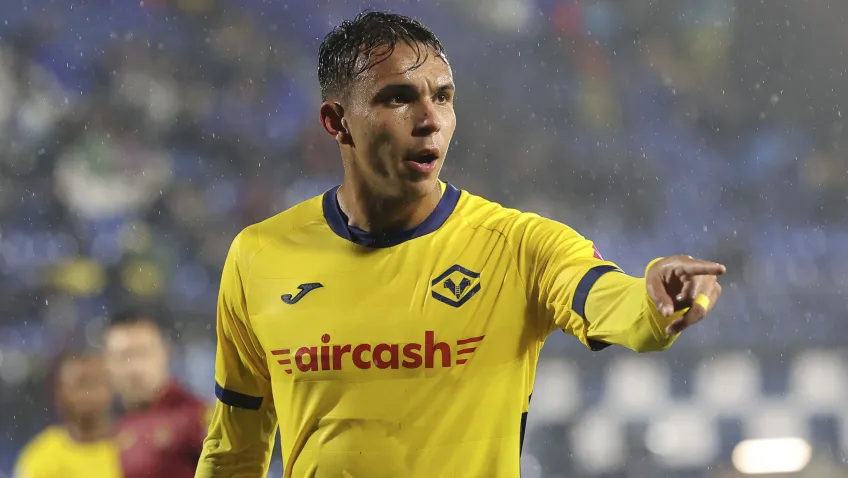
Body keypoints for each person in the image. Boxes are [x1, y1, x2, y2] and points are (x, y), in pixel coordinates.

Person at [196, 11, 725, 478]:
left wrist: (655, 300)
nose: (430, 120)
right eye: (399, 98)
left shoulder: (519, 246)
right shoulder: (259, 256)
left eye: (443, 97)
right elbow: (234, 449)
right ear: (337, 122)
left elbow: (611, 300)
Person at [104, 307, 208, 478]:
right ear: (107, 362)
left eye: (143, 353)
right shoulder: (100, 424)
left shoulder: (197, 418)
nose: (135, 369)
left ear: (166, 353)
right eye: (124, 356)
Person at [14, 350, 121, 478]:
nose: (87, 393)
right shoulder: (42, 456)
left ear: (111, 388)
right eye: (80, 384)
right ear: (60, 392)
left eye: (95, 383)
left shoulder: (131, 448)